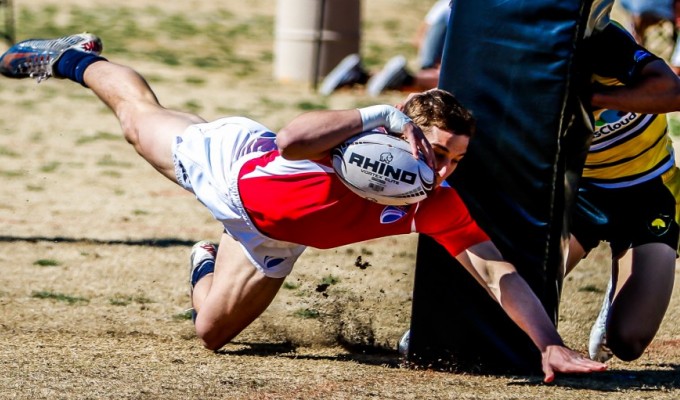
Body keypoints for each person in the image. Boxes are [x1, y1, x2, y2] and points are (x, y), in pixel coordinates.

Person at [0, 32, 607, 383]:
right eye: (438, 152)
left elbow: (495, 269)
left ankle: (204, 258)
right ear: (405, 133)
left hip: (270, 238)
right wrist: (378, 114)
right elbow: (290, 139)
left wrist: (548, 343)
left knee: (211, 335)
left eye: (457, 161)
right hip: (232, 167)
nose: (443, 171)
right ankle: (76, 58)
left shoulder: (432, 202)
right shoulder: (352, 142)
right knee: (137, 122)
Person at [566, 21, 680, 363]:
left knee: (627, 341)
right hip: (578, 193)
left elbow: (673, 91)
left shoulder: (599, 38)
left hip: (647, 188)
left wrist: (589, 100)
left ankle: (616, 297)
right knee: (512, 292)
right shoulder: (514, 55)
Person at [319, 0, 451, 97]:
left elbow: (418, 38)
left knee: (437, 76)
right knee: (446, 81)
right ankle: (405, 78)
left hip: (435, 43)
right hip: (443, 51)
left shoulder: (445, 4)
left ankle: (361, 76)